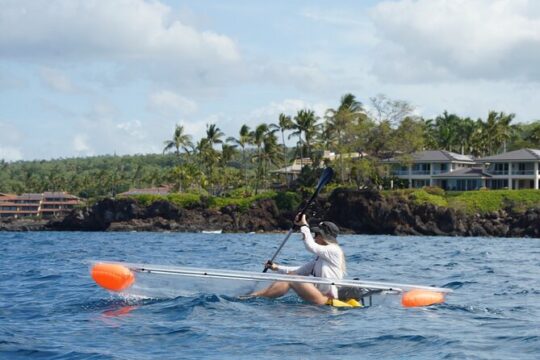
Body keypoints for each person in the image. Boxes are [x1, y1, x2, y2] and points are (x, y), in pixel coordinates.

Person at [251, 213, 346, 305]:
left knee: (291, 278)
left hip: (327, 299)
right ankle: (256, 295)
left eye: (316, 234)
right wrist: (276, 268)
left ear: (323, 236)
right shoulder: (321, 258)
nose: (314, 237)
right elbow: (298, 271)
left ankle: (256, 297)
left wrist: (304, 225)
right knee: (291, 275)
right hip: (321, 298)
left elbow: (310, 246)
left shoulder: (334, 250)